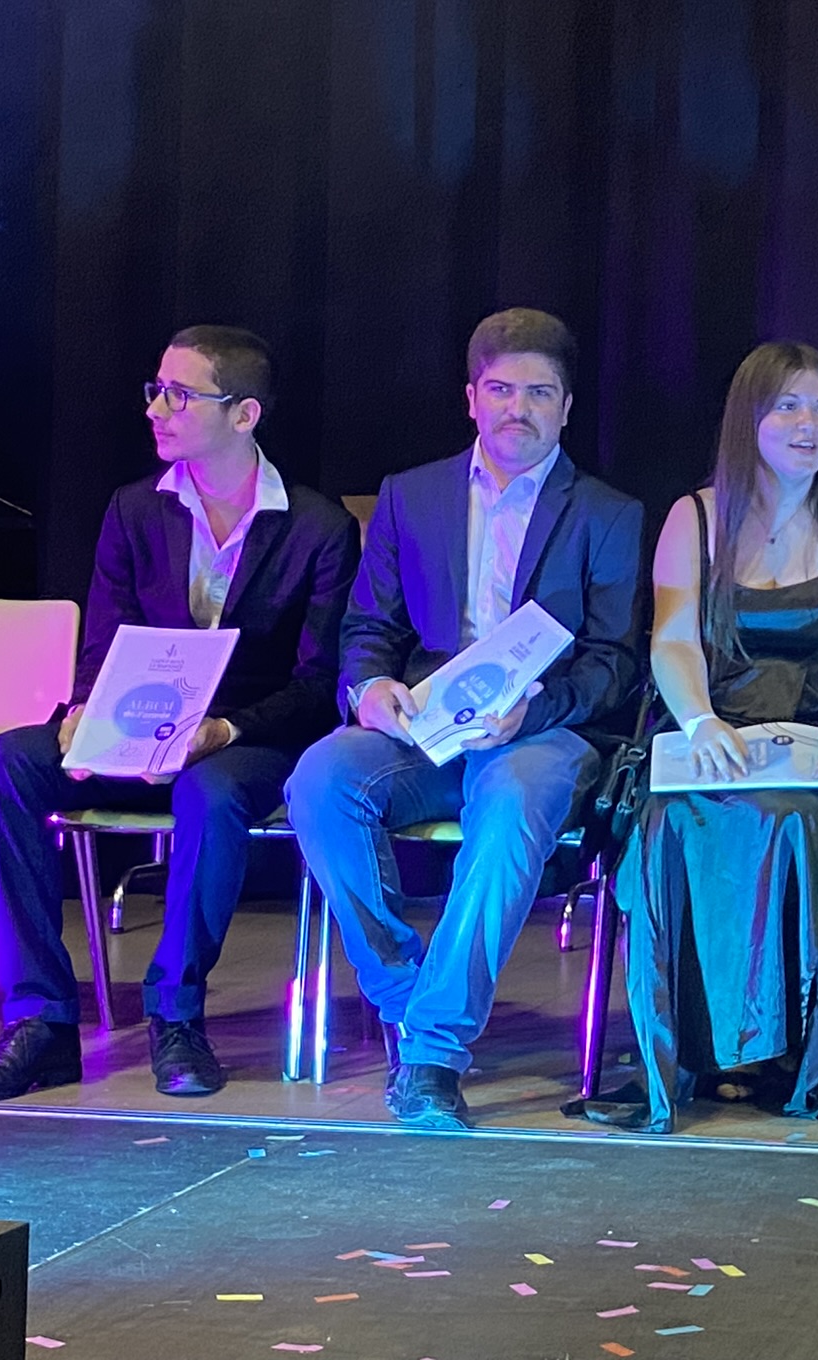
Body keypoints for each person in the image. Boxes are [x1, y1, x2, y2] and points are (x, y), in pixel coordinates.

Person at [287, 309, 643, 1130]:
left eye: (540, 393)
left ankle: (434, 1051)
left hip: (541, 733)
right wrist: (370, 687)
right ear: (471, 398)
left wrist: (534, 709)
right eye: (502, 389)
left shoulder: (608, 513)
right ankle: (407, 998)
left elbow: (614, 660)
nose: (519, 408)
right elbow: (368, 627)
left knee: (512, 804)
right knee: (320, 779)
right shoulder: (411, 496)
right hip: (425, 729)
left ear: (567, 408)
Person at [0, 326, 357, 1098]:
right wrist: (86, 711)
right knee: (10, 762)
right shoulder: (134, 509)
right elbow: (105, 639)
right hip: (140, 722)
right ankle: (41, 1019)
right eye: (156, 390)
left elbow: (318, 683)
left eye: (180, 395)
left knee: (211, 789)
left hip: (250, 734)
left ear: (244, 414)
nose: (156, 409)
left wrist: (224, 729)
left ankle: (176, 1013)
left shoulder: (319, 527)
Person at [607, 341, 818, 1128]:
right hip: (721, 723)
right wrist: (699, 718)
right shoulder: (697, 514)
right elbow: (673, 639)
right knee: (673, 817)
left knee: (794, 817)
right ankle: (694, 1053)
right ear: (749, 418)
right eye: (789, 407)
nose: (809, 425)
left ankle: (786, 1051)